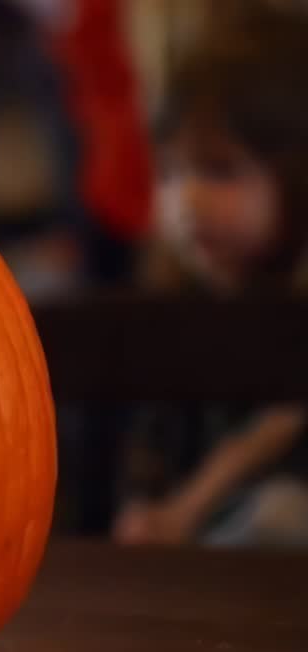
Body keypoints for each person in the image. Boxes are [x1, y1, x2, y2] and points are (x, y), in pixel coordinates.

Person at [115, 4, 308, 547]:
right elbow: (149, 443)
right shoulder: (180, 302)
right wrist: (143, 506)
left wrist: (189, 506)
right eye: (172, 173)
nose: (187, 201)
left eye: (220, 170)